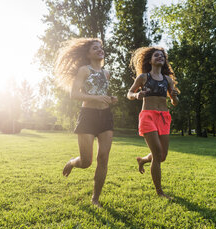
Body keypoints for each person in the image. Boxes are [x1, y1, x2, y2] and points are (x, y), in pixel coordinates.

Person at [54, 38, 118, 208]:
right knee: (86, 161)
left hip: (105, 116)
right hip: (88, 116)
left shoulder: (107, 73)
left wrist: (110, 99)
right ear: (88, 54)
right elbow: (74, 94)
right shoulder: (84, 70)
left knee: (103, 158)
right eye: (95, 48)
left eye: (101, 47)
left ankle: (95, 198)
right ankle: (73, 162)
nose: (99, 50)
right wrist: (97, 98)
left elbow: (101, 92)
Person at [127, 46, 179, 199]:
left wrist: (174, 96)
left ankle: (143, 160)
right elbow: (129, 93)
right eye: (156, 55)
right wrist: (137, 96)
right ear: (150, 60)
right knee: (157, 155)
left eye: (162, 56)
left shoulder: (168, 80)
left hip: (163, 117)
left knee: (162, 156)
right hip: (148, 116)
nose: (160, 57)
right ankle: (160, 192)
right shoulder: (143, 77)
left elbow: (175, 102)